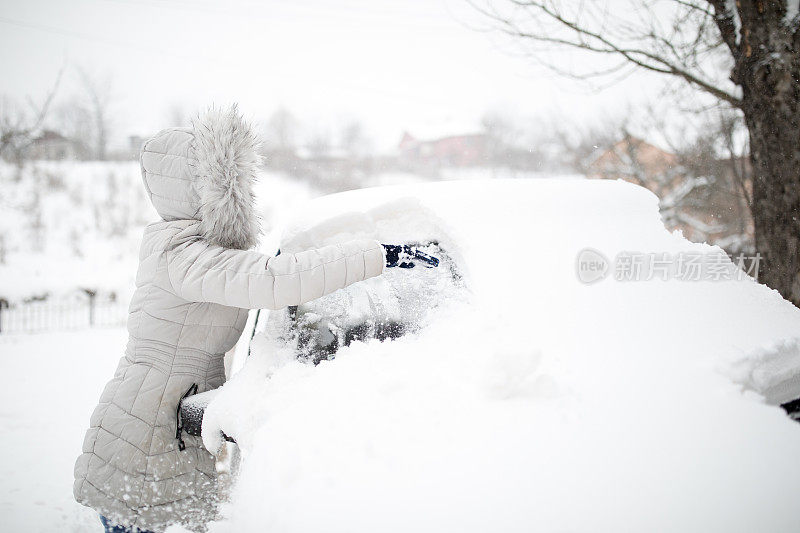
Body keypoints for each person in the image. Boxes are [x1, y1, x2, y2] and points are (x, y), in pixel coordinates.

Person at [73, 105, 388, 532]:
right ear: (197, 189)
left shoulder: (190, 251)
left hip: (159, 415)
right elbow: (274, 280)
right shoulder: (184, 256)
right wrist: (375, 254)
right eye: (226, 183)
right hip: (148, 429)